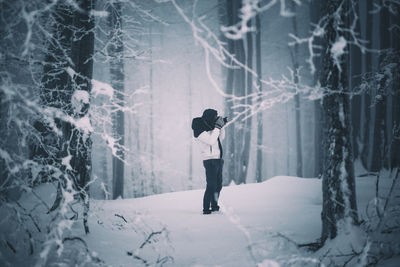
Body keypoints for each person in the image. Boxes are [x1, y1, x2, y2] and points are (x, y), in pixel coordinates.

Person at [191, 109, 227, 214]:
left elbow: (221, 138)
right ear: (210, 117)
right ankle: (206, 208)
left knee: (218, 185)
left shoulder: (211, 127)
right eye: (215, 117)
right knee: (211, 185)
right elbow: (211, 141)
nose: (216, 118)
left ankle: (214, 205)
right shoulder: (199, 129)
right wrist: (217, 127)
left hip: (218, 159)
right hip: (209, 160)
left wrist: (222, 127)